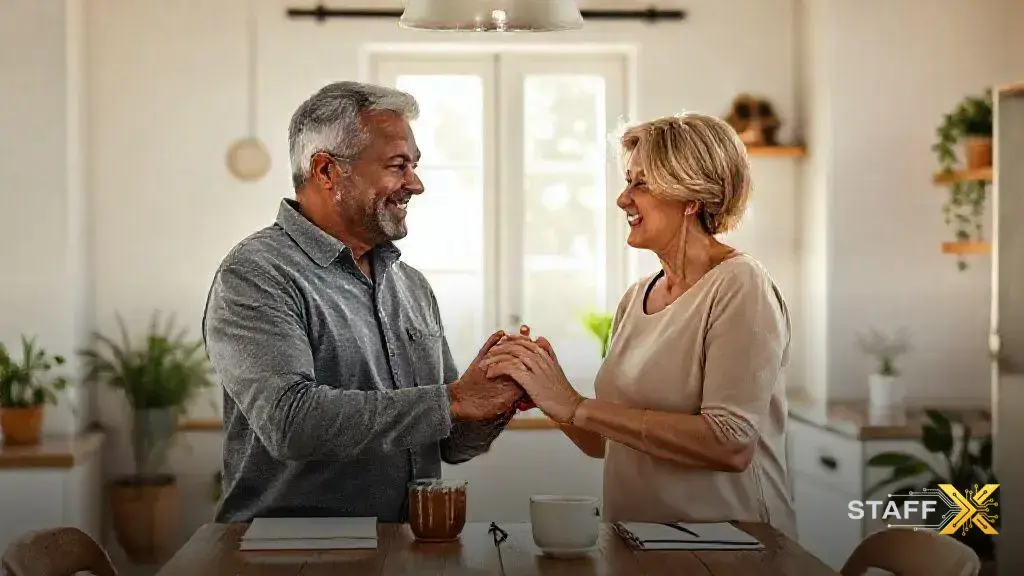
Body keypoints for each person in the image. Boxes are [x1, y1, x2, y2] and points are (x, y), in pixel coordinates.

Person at [202, 81, 524, 523]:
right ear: (326, 171)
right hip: (290, 556)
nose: (416, 184)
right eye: (398, 165)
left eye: (414, 165)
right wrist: (451, 399)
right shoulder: (257, 274)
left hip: (409, 548)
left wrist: (494, 400)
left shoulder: (411, 285)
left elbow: (451, 444)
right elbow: (290, 423)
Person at [480, 112, 798, 539]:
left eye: (641, 184)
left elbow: (730, 442)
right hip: (641, 545)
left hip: (732, 549)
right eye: (628, 181)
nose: (623, 199)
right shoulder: (637, 297)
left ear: (692, 197)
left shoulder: (741, 284)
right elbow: (606, 444)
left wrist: (576, 405)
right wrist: (546, 393)